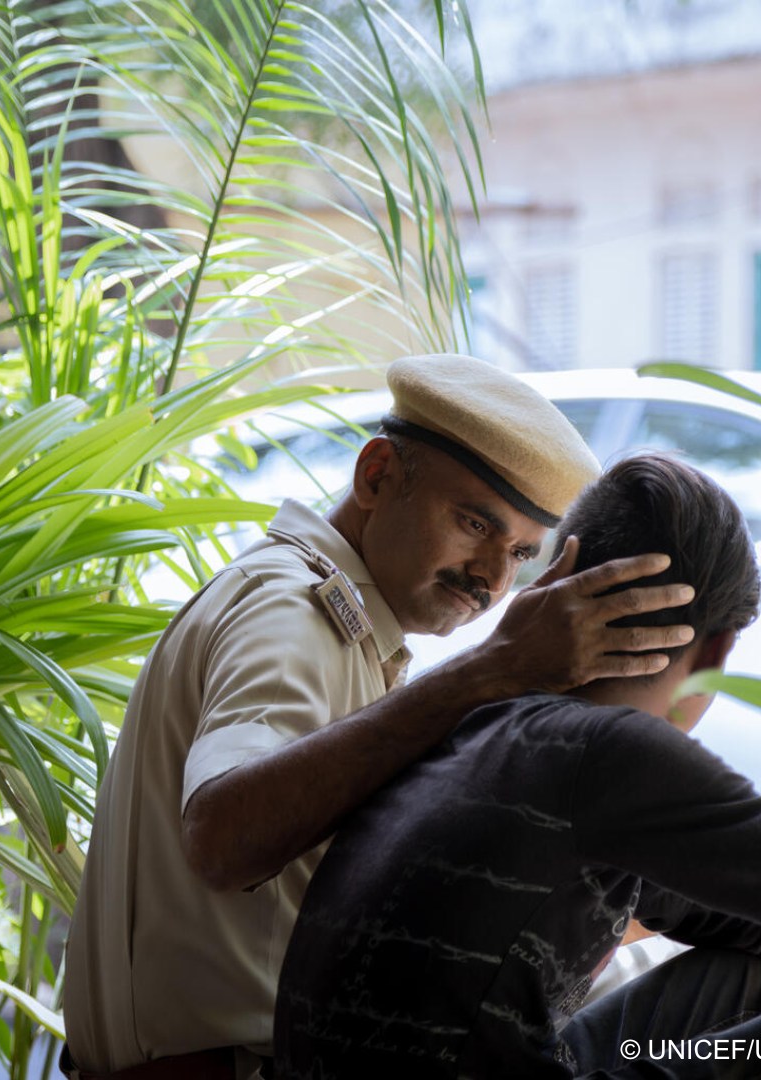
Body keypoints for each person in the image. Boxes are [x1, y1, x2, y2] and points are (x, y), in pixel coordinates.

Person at [274, 452, 761, 1080]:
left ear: (558, 580)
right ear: (718, 652)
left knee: (744, 979)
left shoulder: (484, 720)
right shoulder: (609, 754)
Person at [61, 355, 698, 1080]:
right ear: (375, 476)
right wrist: (492, 669)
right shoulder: (296, 613)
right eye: (473, 523)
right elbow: (222, 836)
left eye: (520, 552)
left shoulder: (348, 626)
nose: (491, 578)